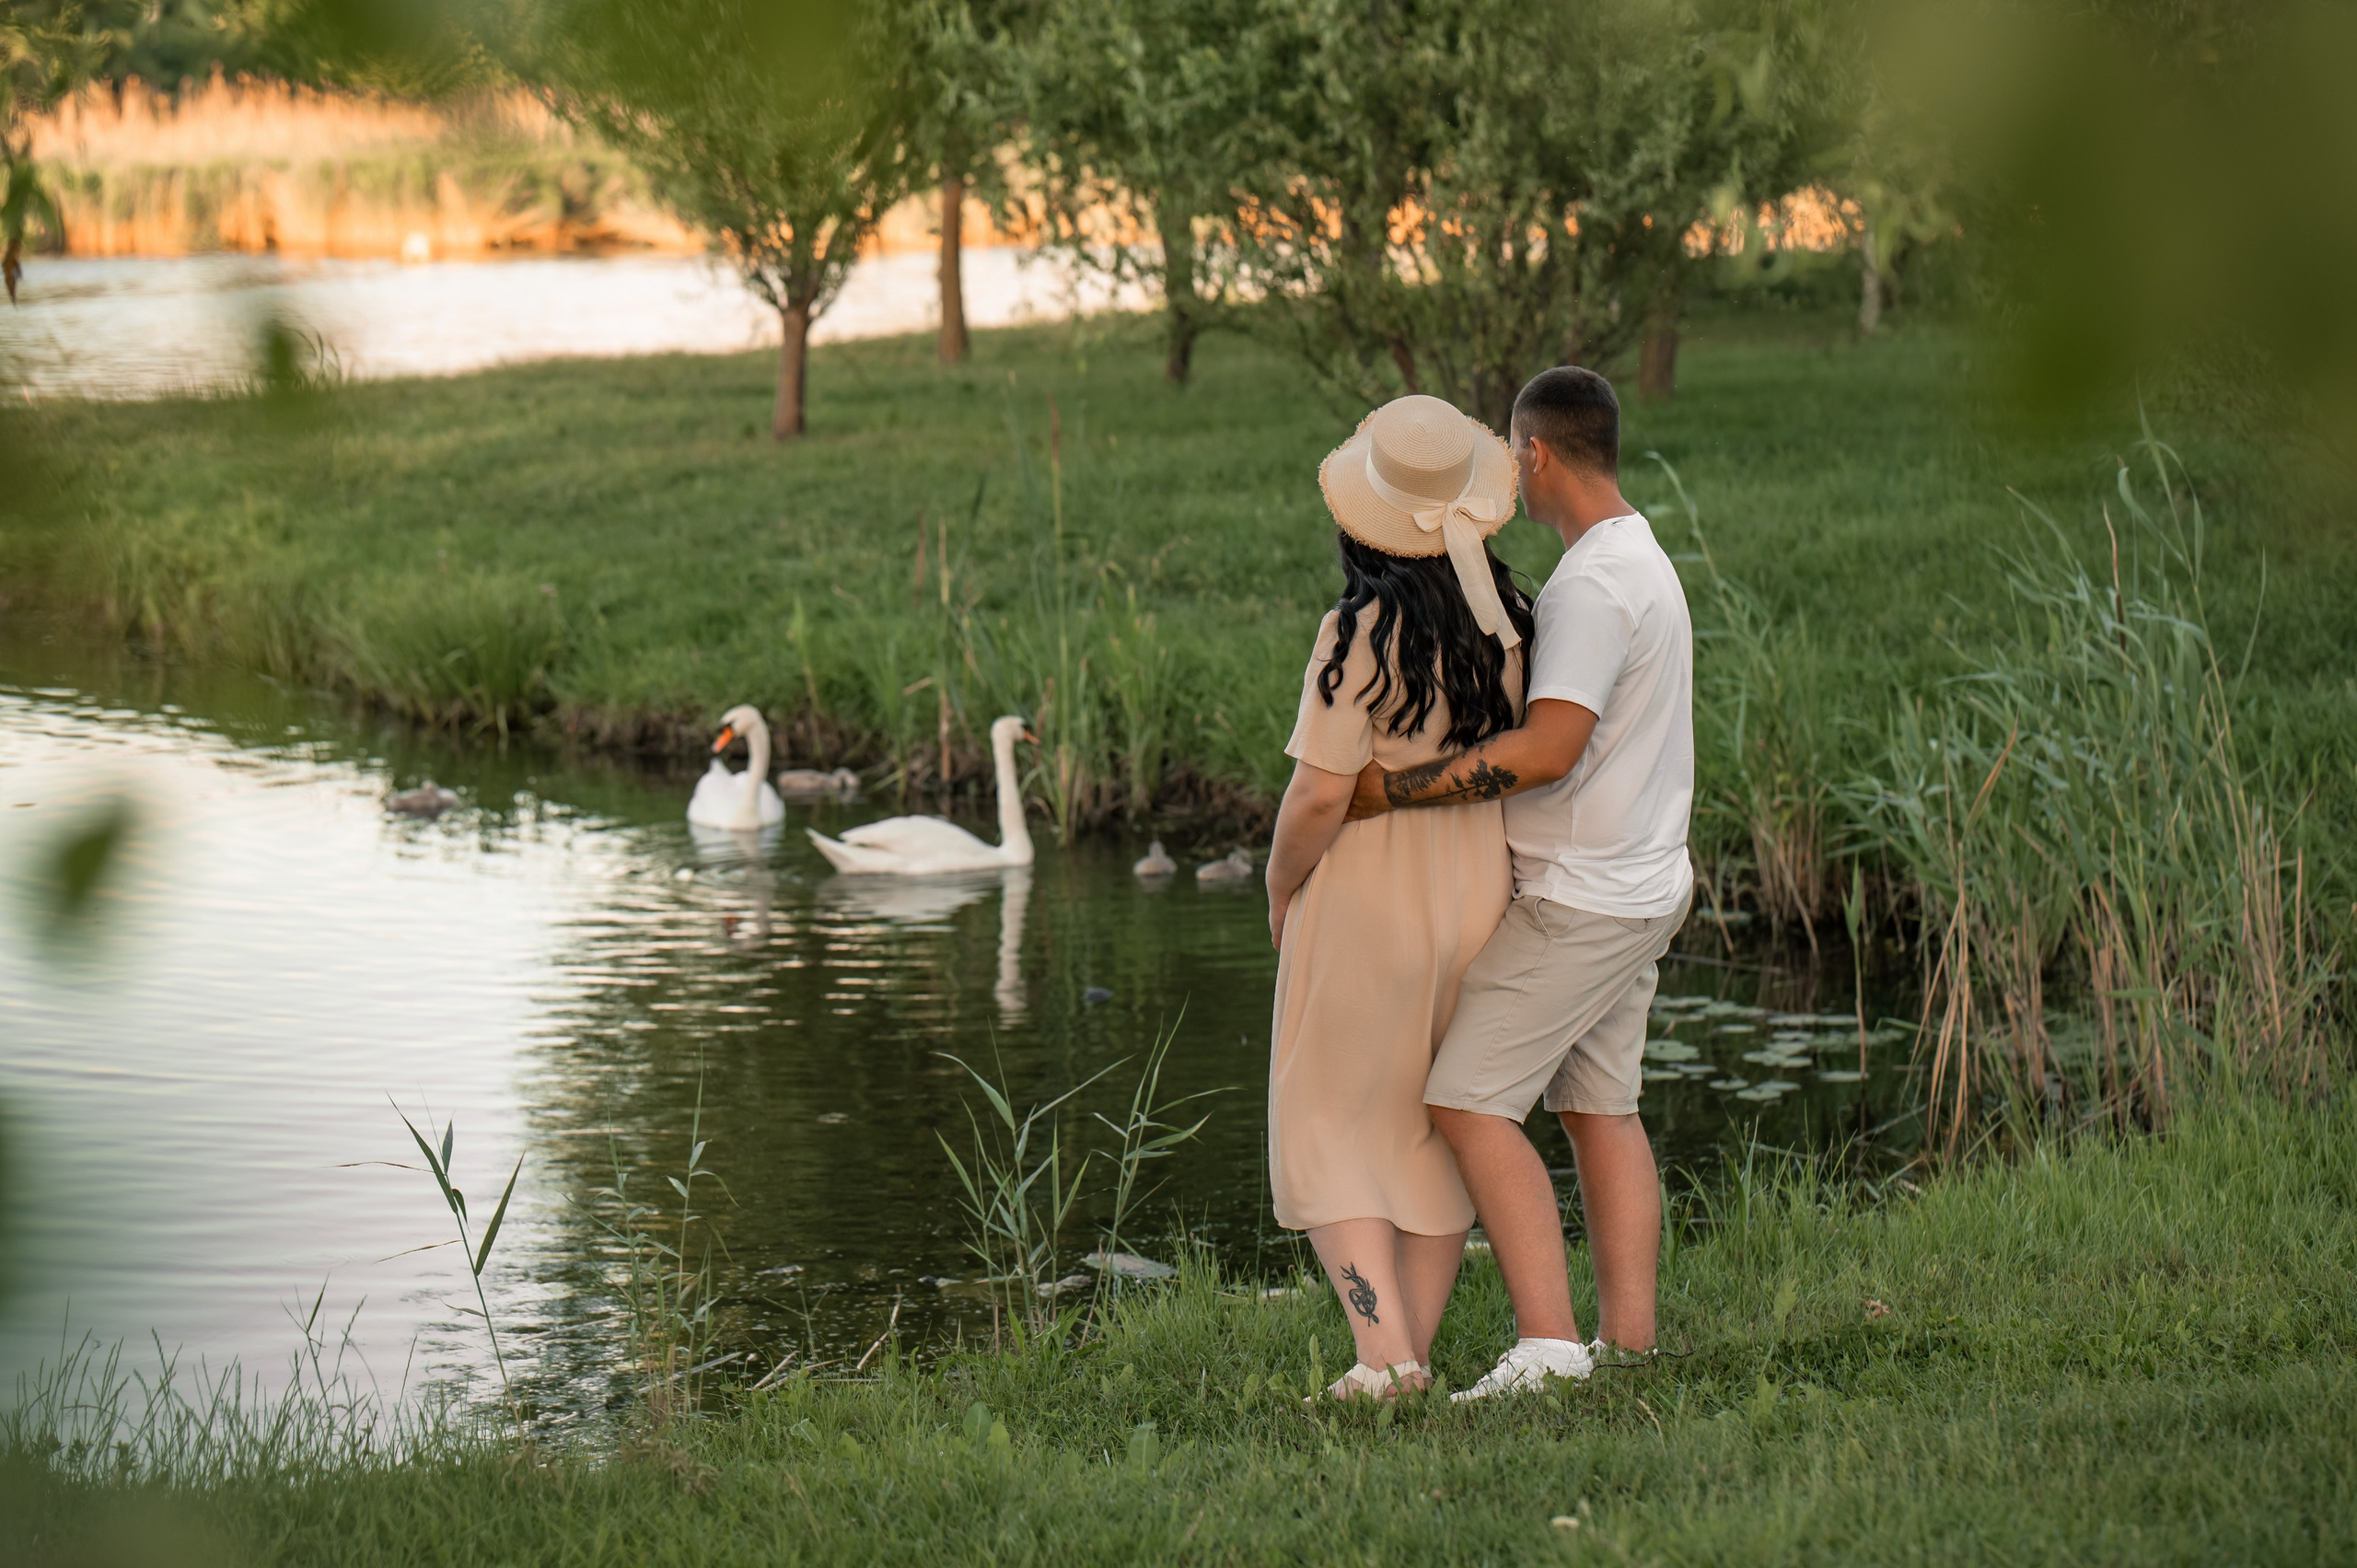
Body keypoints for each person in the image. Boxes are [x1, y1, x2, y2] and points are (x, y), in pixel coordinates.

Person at [1347, 366, 1694, 1402]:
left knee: (1465, 1097)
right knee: (1601, 1108)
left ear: (1536, 452)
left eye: (1510, 450)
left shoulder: (1590, 584)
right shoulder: (1639, 552)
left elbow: (1547, 750)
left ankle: (1546, 1345)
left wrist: (1394, 791)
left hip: (1581, 895)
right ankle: (1627, 1346)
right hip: (1641, 877)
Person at [1263, 393, 1536, 1400]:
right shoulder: (1506, 620)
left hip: (1366, 901)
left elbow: (1320, 791)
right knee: (1429, 1123)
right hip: (1475, 896)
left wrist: (1277, 880)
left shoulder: (1359, 631)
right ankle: (1403, 1352)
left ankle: (1384, 1359)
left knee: (1328, 1118)